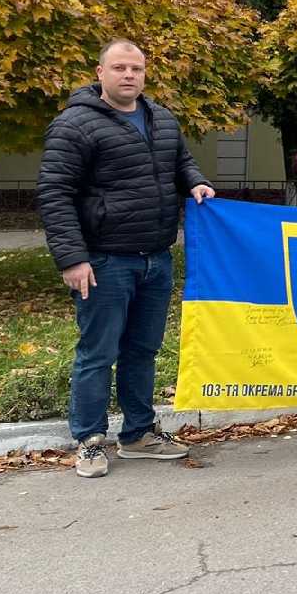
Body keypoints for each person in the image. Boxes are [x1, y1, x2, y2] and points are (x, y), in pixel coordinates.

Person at [37, 39, 215, 478]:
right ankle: (89, 441)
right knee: (97, 353)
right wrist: (72, 259)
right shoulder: (75, 124)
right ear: (101, 73)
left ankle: (138, 435)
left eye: (136, 68)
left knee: (142, 350)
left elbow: (180, 162)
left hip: (156, 258)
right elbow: (55, 194)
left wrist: (195, 182)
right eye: (119, 68)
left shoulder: (162, 119)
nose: (129, 75)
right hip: (104, 261)